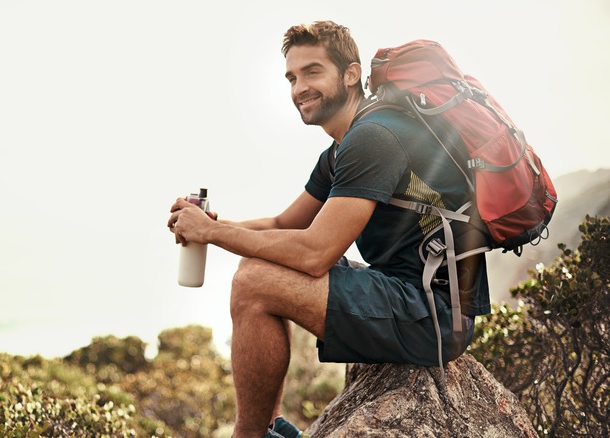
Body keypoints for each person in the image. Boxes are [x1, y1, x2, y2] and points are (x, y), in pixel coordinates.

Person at [167, 20, 490, 438]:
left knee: (254, 282)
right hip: (412, 295)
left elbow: (314, 252)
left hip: (435, 317)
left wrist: (213, 235)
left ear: (351, 75)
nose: (299, 87)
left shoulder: (373, 137)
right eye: (291, 77)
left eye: (313, 72)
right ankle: (271, 429)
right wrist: (209, 225)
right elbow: (284, 225)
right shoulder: (344, 146)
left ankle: (250, 435)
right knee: (257, 262)